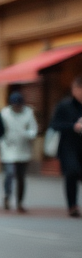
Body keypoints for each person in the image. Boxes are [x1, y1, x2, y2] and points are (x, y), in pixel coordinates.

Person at [0, 92, 37, 213]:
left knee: (21, 177)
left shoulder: (28, 113)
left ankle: (20, 202)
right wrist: (2, 143)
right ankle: (7, 196)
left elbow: (33, 129)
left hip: (23, 148)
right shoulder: (4, 114)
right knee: (10, 173)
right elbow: (0, 130)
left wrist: (27, 135)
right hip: (8, 147)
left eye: (19, 105)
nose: (17, 108)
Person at [50, 75, 82, 218]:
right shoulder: (64, 106)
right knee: (71, 173)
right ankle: (72, 206)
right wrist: (73, 126)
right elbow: (54, 124)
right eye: (80, 90)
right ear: (74, 90)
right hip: (68, 147)